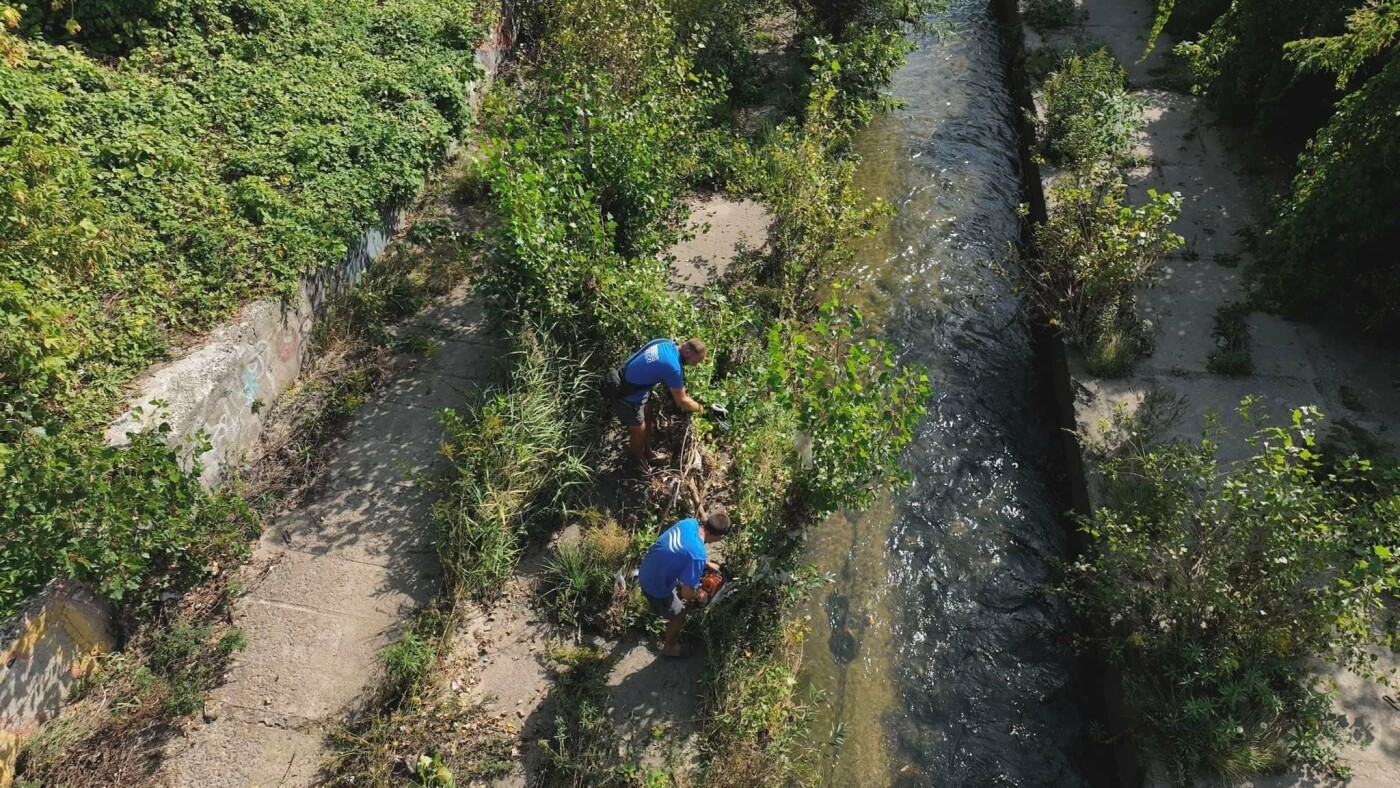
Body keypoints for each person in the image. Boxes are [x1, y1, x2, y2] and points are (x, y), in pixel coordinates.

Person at [638, 510, 729, 658]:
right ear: (720, 537)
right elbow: (688, 593)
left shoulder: (689, 523)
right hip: (654, 584)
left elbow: (681, 549)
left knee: (682, 583)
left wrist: (704, 563)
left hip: (646, 567)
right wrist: (701, 594)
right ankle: (670, 648)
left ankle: (666, 605)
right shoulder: (697, 555)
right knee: (679, 613)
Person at [608, 337, 706, 471]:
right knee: (639, 431)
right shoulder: (673, 367)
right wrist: (701, 409)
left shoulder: (665, 343)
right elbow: (682, 401)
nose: (695, 365)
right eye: (695, 361)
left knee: (649, 419)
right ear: (687, 352)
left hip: (638, 386)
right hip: (628, 395)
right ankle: (638, 459)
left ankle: (648, 452)